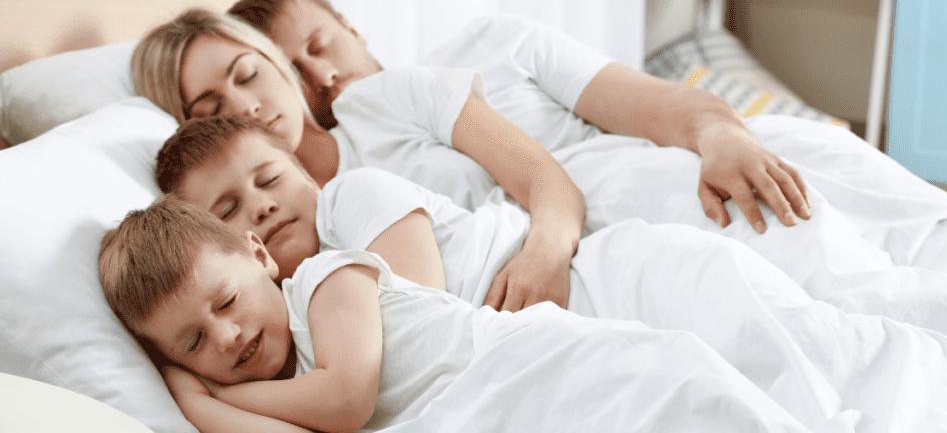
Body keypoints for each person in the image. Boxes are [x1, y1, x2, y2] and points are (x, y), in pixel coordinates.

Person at [153, 114, 947, 432]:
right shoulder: (299, 319)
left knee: (835, 352)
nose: (260, 207)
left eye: (268, 180)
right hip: (586, 322)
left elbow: (422, 321)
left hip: (623, 278)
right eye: (229, 210)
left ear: (304, 168)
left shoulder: (354, 204)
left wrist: (221, 397)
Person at [227, 0, 947, 290]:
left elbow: (651, 104)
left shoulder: (491, 44)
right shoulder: (342, 194)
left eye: (321, 45)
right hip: (629, 239)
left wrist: (719, 134)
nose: (321, 76)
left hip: (688, 165)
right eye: (291, 71)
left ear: (352, 26)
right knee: (860, 291)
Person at [98, 196, 824, 433]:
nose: (227, 336)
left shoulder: (325, 281)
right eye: (193, 343)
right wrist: (200, 407)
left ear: (260, 256)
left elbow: (348, 400)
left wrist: (208, 398)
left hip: (532, 369)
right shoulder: (285, 395)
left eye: (226, 302)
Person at [132, 8, 588, 310]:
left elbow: (543, 175)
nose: (246, 106)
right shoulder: (272, 247)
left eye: (248, 75)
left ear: (276, 63)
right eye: (212, 110)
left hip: (566, 265)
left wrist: (544, 256)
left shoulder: (386, 99)